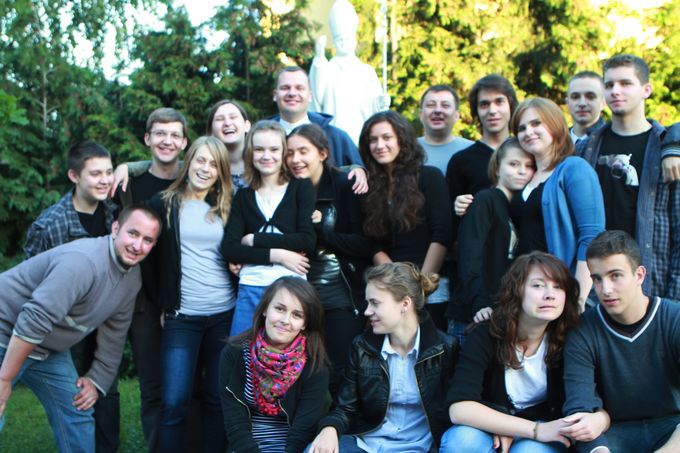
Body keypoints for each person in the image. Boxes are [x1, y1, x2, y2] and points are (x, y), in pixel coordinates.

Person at [0, 205, 161, 452]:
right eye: (133, 233)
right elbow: (34, 319)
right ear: (115, 228)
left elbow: (115, 333)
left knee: (77, 409)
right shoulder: (83, 262)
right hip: (8, 331)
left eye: (147, 240)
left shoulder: (132, 278)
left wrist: (97, 379)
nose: (137, 245)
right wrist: (4, 379)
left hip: (46, 348)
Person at [23, 140, 121, 452]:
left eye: (108, 172)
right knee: (76, 396)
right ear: (74, 176)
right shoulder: (51, 225)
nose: (104, 180)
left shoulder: (115, 214)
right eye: (95, 174)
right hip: (65, 325)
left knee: (106, 391)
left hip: (104, 318)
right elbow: (32, 280)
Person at [145, 136, 235, 453]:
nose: (205, 168)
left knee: (216, 398)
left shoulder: (226, 206)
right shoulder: (164, 204)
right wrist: (163, 302)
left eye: (214, 164)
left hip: (224, 315)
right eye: (200, 160)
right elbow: (149, 263)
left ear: (221, 171)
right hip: (182, 317)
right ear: (189, 161)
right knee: (174, 401)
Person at [307, 262, 456, 453]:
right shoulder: (362, 347)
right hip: (367, 445)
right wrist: (330, 428)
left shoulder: (445, 348)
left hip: (422, 447)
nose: (367, 311)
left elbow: (454, 409)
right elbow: (345, 408)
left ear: (405, 304)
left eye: (375, 303)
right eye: (368, 303)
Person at [441, 252, 580, 453]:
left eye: (558, 287)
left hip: (545, 431)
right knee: (462, 441)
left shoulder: (571, 339)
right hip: (505, 429)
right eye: (538, 285)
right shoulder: (487, 334)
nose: (549, 294)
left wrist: (533, 430)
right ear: (516, 291)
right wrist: (517, 427)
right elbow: (459, 408)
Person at [561, 230, 680, 453]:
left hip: (671, 427)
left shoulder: (674, 318)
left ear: (639, 275)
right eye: (597, 279)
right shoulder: (582, 330)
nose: (605, 289)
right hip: (613, 433)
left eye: (615, 275)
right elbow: (580, 411)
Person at [575, 54, 680, 300]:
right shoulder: (584, 149)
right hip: (593, 288)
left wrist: (673, 303)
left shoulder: (667, 150)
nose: (615, 91)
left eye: (625, 83)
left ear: (646, 90)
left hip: (650, 286)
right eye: (609, 84)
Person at [116, 107, 188, 452]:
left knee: (190, 382)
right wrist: (125, 167)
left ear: (184, 142)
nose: (167, 141)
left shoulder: (194, 178)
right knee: (152, 386)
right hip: (143, 298)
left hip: (187, 296)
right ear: (147, 138)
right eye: (160, 133)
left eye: (175, 135)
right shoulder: (130, 184)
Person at [286, 123, 372, 394]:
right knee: (296, 374)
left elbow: (365, 243)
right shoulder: (285, 189)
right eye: (290, 153)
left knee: (340, 373)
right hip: (297, 293)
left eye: (303, 151)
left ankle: (340, 421)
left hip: (340, 292)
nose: (295, 159)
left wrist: (322, 233)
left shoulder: (345, 186)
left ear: (322, 153)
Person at [221, 120, 316, 336]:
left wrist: (255, 239)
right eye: (259, 149)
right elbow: (230, 249)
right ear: (250, 153)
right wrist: (279, 255)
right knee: (242, 350)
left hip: (291, 290)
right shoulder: (243, 196)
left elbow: (306, 240)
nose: (266, 156)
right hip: (251, 287)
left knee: (285, 353)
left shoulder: (300, 188)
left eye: (274, 149)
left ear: (283, 153)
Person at [358, 110, 452, 329]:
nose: (379, 145)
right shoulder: (368, 186)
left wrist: (419, 286)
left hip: (430, 287)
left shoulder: (429, 176)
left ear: (402, 139)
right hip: (388, 288)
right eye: (373, 140)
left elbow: (442, 233)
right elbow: (370, 242)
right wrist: (396, 283)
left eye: (387, 137)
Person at [510, 97, 605, 310]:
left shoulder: (573, 168)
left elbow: (592, 235)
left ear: (554, 125)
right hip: (525, 292)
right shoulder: (525, 176)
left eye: (536, 123)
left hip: (561, 291)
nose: (528, 132)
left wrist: (578, 297)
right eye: (521, 128)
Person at [219, 277, 330, 453]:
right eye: (279, 309)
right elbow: (235, 422)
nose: (285, 320)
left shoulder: (316, 365)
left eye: (297, 315)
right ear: (265, 309)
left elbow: (302, 431)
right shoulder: (235, 353)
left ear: (304, 324)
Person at [451, 137, 535, 341]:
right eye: (513, 164)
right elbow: (469, 255)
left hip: (500, 315)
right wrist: (479, 302)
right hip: (473, 315)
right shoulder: (485, 200)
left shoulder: (518, 208)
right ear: (497, 168)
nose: (522, 171)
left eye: (529, 166)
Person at [270, 66, 368, 194]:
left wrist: (358, 169)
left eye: (299, 88)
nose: (292, 93)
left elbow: (358, 179)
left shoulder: (337, 137)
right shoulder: (259, 139)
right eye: (285, 88)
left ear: (310, 96)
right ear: (275, 95)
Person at [309, 0, 390, 145]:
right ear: (334, 43)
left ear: (354, 41)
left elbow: (373, 106)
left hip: (360, 132)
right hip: (335, 133)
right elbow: (317, 95)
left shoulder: (366, 71)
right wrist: (319, 58)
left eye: (347, 39)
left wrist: (380, 102)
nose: (344, 42)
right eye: (339, 39)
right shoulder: (327, 69)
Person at [446, 74, 519, 218]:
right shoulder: (461, 161)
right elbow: (449, 218)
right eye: (484, 104)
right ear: (477, 112)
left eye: (499, 102)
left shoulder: (528, 153)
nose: (492, 111)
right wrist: (458, 207)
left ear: (510, 106)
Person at [417, 84, 473, 175]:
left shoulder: (472, 151)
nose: (437, 110)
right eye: (431, 105)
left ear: (456, 115)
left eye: (445, 105)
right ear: (421, 114)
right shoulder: (406, 151)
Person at [206, 99, 252, 191]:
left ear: (247, 126)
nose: (227, 123)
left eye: (233, 117)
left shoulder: (262, 162)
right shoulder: (205, 168)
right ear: (211, 131)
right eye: (220, 119)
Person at [566, 71, 606, 144]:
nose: (582, 103)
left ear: (603, 102)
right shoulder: (555, 143)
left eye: (590, 97)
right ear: (567, 103)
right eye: (575, 97)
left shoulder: (614, 141)